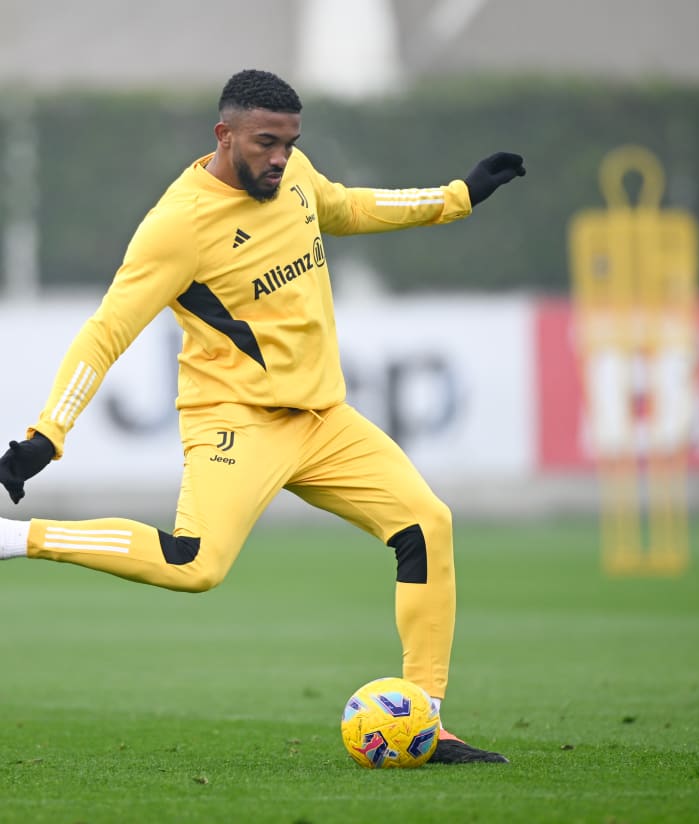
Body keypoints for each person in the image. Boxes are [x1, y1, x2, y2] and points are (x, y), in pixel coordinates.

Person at [0, 69, 525, 764]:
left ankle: (425, 723)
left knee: (427, 524)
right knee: (195, 565)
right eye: (265, 143)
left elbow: (350, 207)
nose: (279, 158)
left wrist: (455, 197)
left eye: (289, 143)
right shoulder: (178, 225)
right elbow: (106, 332)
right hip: (236, 421)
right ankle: (17, 539)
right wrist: (47, 435)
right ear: (225, 135)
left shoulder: (296, 175)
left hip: (323, 419)